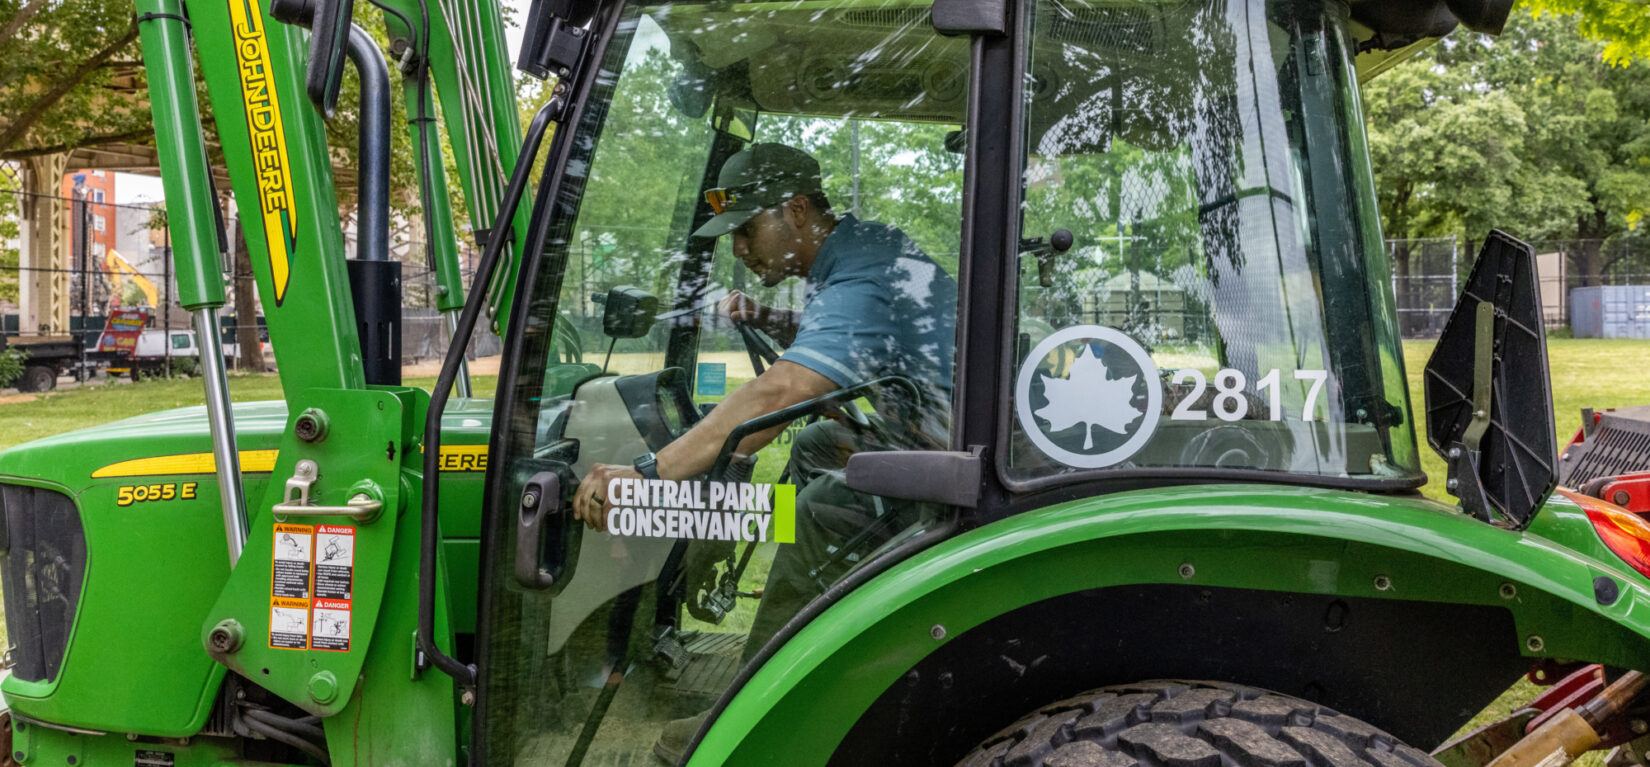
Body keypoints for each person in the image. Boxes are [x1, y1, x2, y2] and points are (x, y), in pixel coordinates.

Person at [568, 142, 956, 762]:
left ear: (797, 212)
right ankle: (826, 629)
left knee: (817, 514)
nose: (740, 250)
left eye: (747, 231)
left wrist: (648, 473)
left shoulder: (863, 272)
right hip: (927, 430)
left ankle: (754, 713)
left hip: (949, 456)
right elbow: (844, 340)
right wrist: (773, 319)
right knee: (814, 447)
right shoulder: (859, 254)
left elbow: (781, 390)